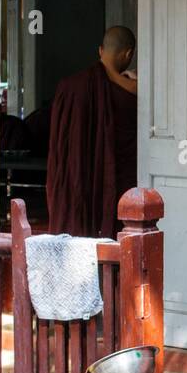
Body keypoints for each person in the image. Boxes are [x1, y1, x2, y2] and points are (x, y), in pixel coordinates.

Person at [45, 25, 138, 238]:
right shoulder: (130, 94)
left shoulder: (69, 88)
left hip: (75, 181)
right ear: (128, 54)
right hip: (113, 185)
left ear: (100, 51)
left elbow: (58, 145)